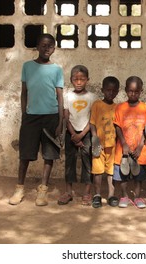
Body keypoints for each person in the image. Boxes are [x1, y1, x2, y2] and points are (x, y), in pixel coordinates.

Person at [9, 33, 64, 206]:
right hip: (31, 117)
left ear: (54, 49)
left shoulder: (57, 69)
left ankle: (43, 190)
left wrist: (61, 121)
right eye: (43, 45)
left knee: (49, 155)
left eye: (50, 46)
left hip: (51, 117)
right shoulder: (27, 66)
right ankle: (19, 188)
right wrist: (24, 114)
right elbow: (24, 92)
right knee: (25, 154)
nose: (46, 48)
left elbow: (60, 96)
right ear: (37, 46)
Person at [57, 65, 97, 206]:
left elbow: (93, 118)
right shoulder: (68, 96)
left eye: (82, 79)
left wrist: (82, 135)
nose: (79, 82)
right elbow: (66, 118)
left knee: (88, 161)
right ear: (71, 80)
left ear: (88, 80)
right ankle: (69, 192)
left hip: (86, 133)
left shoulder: (92, 97)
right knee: (70, 161)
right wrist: (74, 134)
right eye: (76, 79)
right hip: (71, 133)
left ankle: (87, 192)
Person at [113, 76, 146, 209]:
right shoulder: (120, 108)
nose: (133, 94)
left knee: (138, 175)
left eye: (136, 91)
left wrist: (140, 147)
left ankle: (137, 196)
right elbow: (117, 127)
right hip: (123, 149)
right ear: (126, 91)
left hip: (139, 149)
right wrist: (123, 144)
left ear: (141, 91)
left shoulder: (145, 108)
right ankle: (124, 196)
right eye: (130, 91)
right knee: (123, 174)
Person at [90, 76, 120, 208]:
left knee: (111, 171)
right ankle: (97, 195)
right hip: (99, 145)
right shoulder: (97, 105)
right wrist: (95, 138)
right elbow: (92, 124)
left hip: (112, 146)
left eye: (114, 91)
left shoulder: (117, 107)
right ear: (102, 90)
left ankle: (111, 195)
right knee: (97, 170)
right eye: (108, 90)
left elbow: (119, 127)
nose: (111, 93)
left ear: (118, 92)